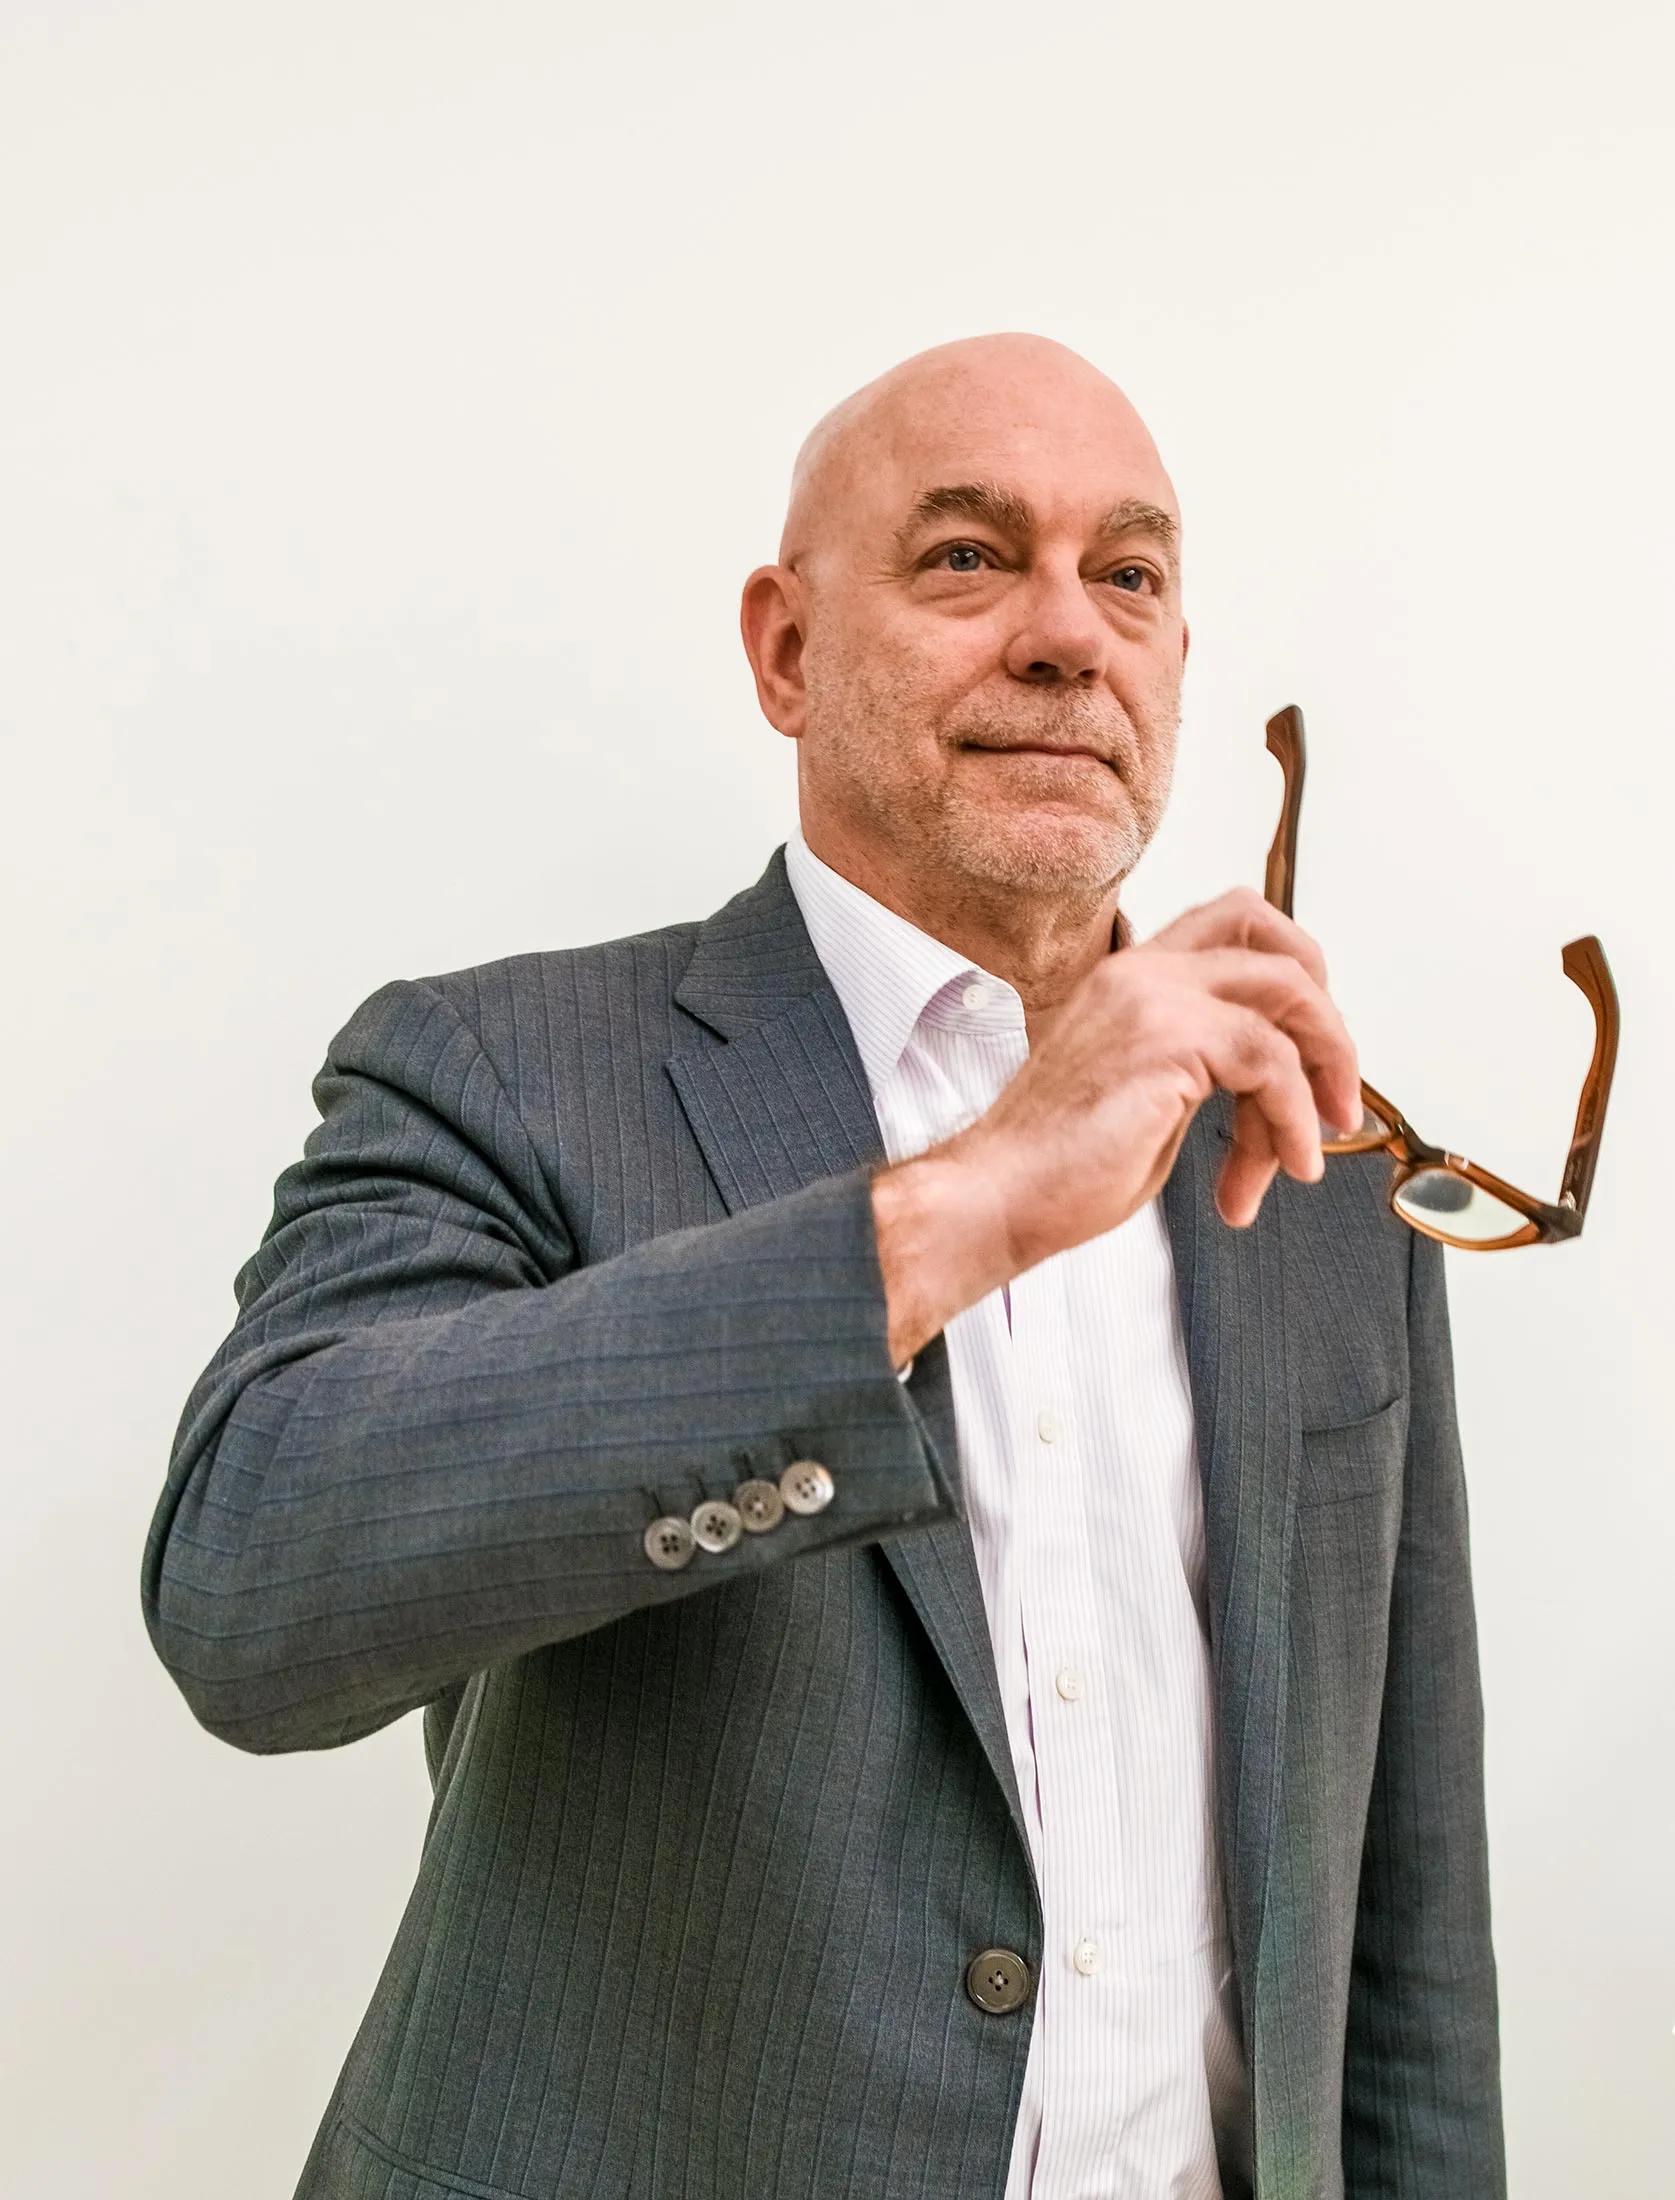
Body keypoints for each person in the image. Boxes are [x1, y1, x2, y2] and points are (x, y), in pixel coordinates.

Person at [143, 334, 1505, 2200]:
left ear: (1176, 654)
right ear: (785, 650)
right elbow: (251, 1597)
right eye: (965, 558)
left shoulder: (1325, 1165)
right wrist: (971, 1200)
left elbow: (1406, 1914)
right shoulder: (502, 1072)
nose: (1062, 633)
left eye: (1127, 573)